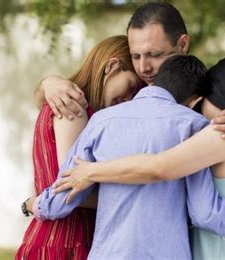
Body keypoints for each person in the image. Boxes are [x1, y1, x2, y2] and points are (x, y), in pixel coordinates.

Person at [28, 54, 225, 259]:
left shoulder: (102, 120)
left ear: (154, 82)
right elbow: (205, 213)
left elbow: (63, 195)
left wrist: (31, 205)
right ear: (195, 101)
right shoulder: (194, 126)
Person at [34, 2, 225, 169]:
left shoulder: (211, 92)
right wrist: (48, 83)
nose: (144, 67)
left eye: (155, 55)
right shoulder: (132, 96)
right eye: (136, 56)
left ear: (183, 44)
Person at [16, 35, 143, 260]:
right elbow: (73, 190)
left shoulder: (74, 106)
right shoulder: (73, 109)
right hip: (66, 243)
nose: (129, 99)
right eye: (131, 86)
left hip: (59, 238)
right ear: (112, 66)